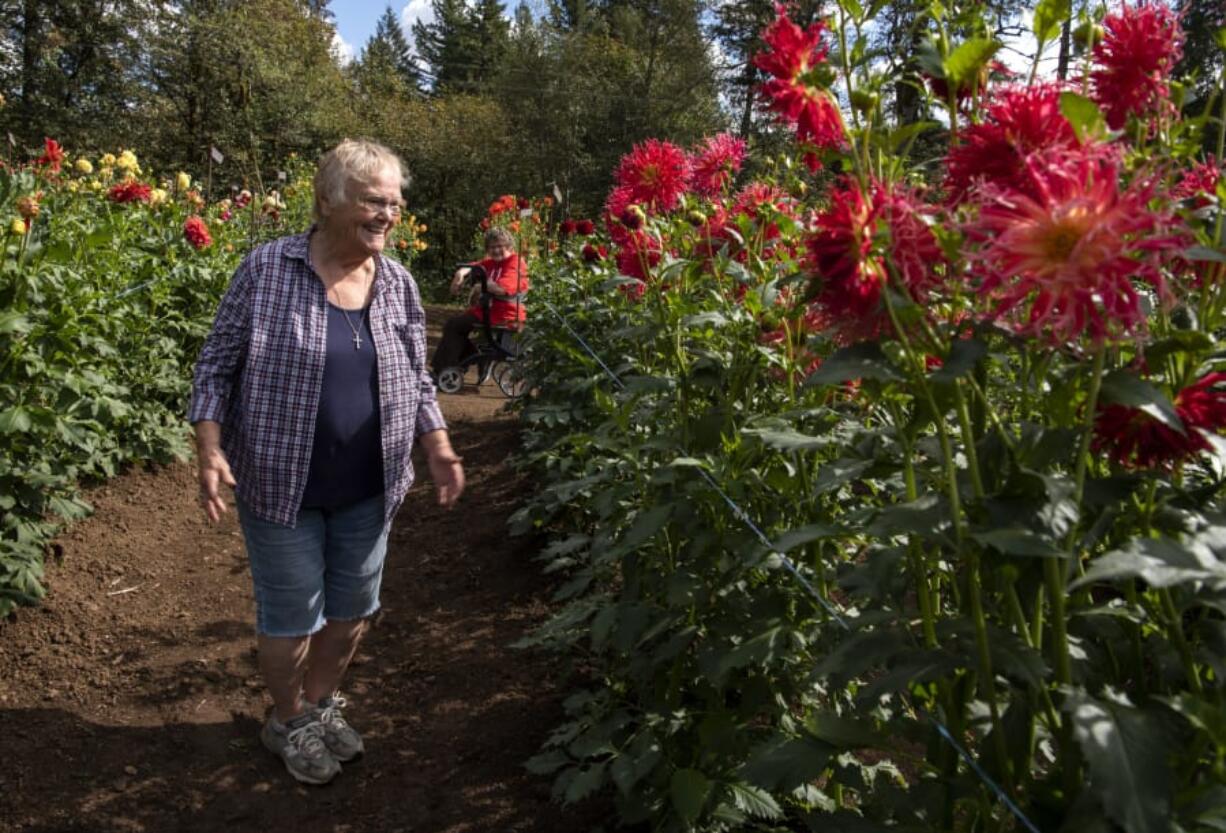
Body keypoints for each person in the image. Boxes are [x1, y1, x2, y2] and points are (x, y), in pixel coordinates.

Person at [189, 139, 465, 786]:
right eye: (375, 200)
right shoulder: (266, 270)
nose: (389, 214)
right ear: (328, 201)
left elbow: (419, 382)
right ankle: (285, 717)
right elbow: (215, 367)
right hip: (282, 484)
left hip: (371, 487)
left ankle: (315, 706)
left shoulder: (396, 282)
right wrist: (208, 447)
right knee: (291, 619)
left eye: (395, 203)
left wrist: (439, 444)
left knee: (351, 613)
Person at [430, 227, 528, 378]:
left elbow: (502, 288)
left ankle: (446, 370)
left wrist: (478, 287)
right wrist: (460, 274)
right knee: (455, 325)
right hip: (489, 311)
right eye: (491, 247)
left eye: (499, 246)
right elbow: (473, 266)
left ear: (509, 246)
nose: (495, 250)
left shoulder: (515, 262)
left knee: (455, 325)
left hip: (506, 314)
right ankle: (455, 364)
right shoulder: (492, 263)